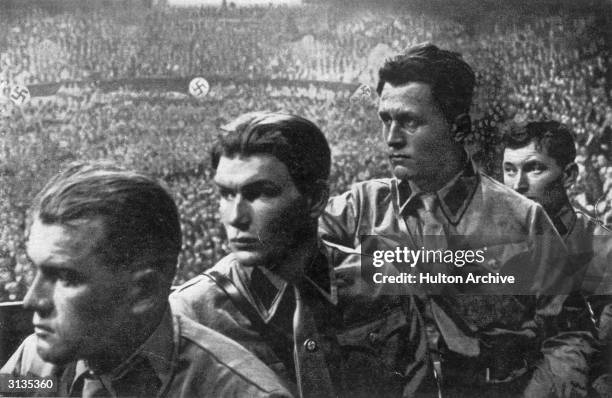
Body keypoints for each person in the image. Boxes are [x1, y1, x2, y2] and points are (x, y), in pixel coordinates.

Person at [319, 43, 591, 397]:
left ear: (459, 127)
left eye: (410, 121)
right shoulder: (358, 209)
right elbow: (287, 256)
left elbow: (569, 334)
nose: (391, 138)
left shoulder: (523, 219)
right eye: (385, 120)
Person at [0, 162, 293, 398]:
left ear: (144, 291)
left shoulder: (239, 392)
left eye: (65, 277)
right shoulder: (34, 364)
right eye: (35, 269)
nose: (32, 300)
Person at [171, 112, 411, 398]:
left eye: (260, 193)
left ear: (315, 200)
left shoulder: (380, 284)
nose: (236, 216)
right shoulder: (190, 314)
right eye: (225, 194)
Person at [502, 120, 612, 396]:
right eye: (509, 170)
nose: (517, 185)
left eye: (534, 168)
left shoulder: (603, 249)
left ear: (570, 175)